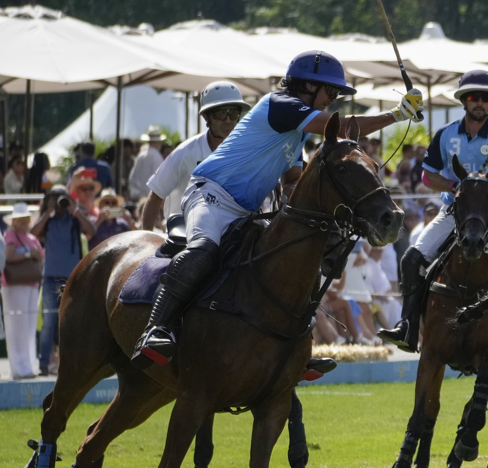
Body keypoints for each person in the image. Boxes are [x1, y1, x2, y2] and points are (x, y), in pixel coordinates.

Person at [130, 50, 423, 367]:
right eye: (331, 91)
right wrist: (397, 114)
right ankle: (156, 329)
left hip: (247, 211)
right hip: (210, 195)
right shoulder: (280, 105)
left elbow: (292, 180)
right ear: (308, 86)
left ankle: (295, 349)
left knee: (291, 260)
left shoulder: (296, 135)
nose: (333, 99)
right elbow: (344, 127)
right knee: (204, 251)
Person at [378, 69, 488, 352]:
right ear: (464, 101)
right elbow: (428, 175)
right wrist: (454, 186)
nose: (480, 103)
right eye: (474, 97)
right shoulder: (446, 134)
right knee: (411, 260)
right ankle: (408, 327)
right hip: (453, 210)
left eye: (486, 98)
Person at [142, 82, 251, 232]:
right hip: (184, 232)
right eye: (221, 113)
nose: (228, 120)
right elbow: (156, 195)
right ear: (207, 117)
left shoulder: (248, 152)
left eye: (233, 114)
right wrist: (147, 234)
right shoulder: (184, 152)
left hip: (233, 231)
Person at [32, 186, 96, 375]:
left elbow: (91, 230)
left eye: (62, 198)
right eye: (56, 198)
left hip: (72, 278)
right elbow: (32, 233)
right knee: (49, 322)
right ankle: (44, 364)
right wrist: (48, 211)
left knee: (73, 321)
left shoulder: (75, 221)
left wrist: (74, 208)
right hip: (51, 278)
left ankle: (72, 363)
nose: (60, 201)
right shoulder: (48, 223)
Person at [2, 203, 42, 379]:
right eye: (20, 219)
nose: (24, 222)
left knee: (29, 326)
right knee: (16, 325)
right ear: (14, 221)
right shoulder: (9, 236)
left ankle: (29, 365)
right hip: (14, 284)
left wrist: (34, 254)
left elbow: (40, 257)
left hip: (32, 284)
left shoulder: (33, 238)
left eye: (26, 219)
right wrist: (28, 255)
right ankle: (19, 368)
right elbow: (8, 256)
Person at [128, 126, 167, 202]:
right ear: (159, 142)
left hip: (139, 199)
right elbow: (161, 180)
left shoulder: (140, 156)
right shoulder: (157, 157)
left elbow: (132, 179)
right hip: (152, 199)